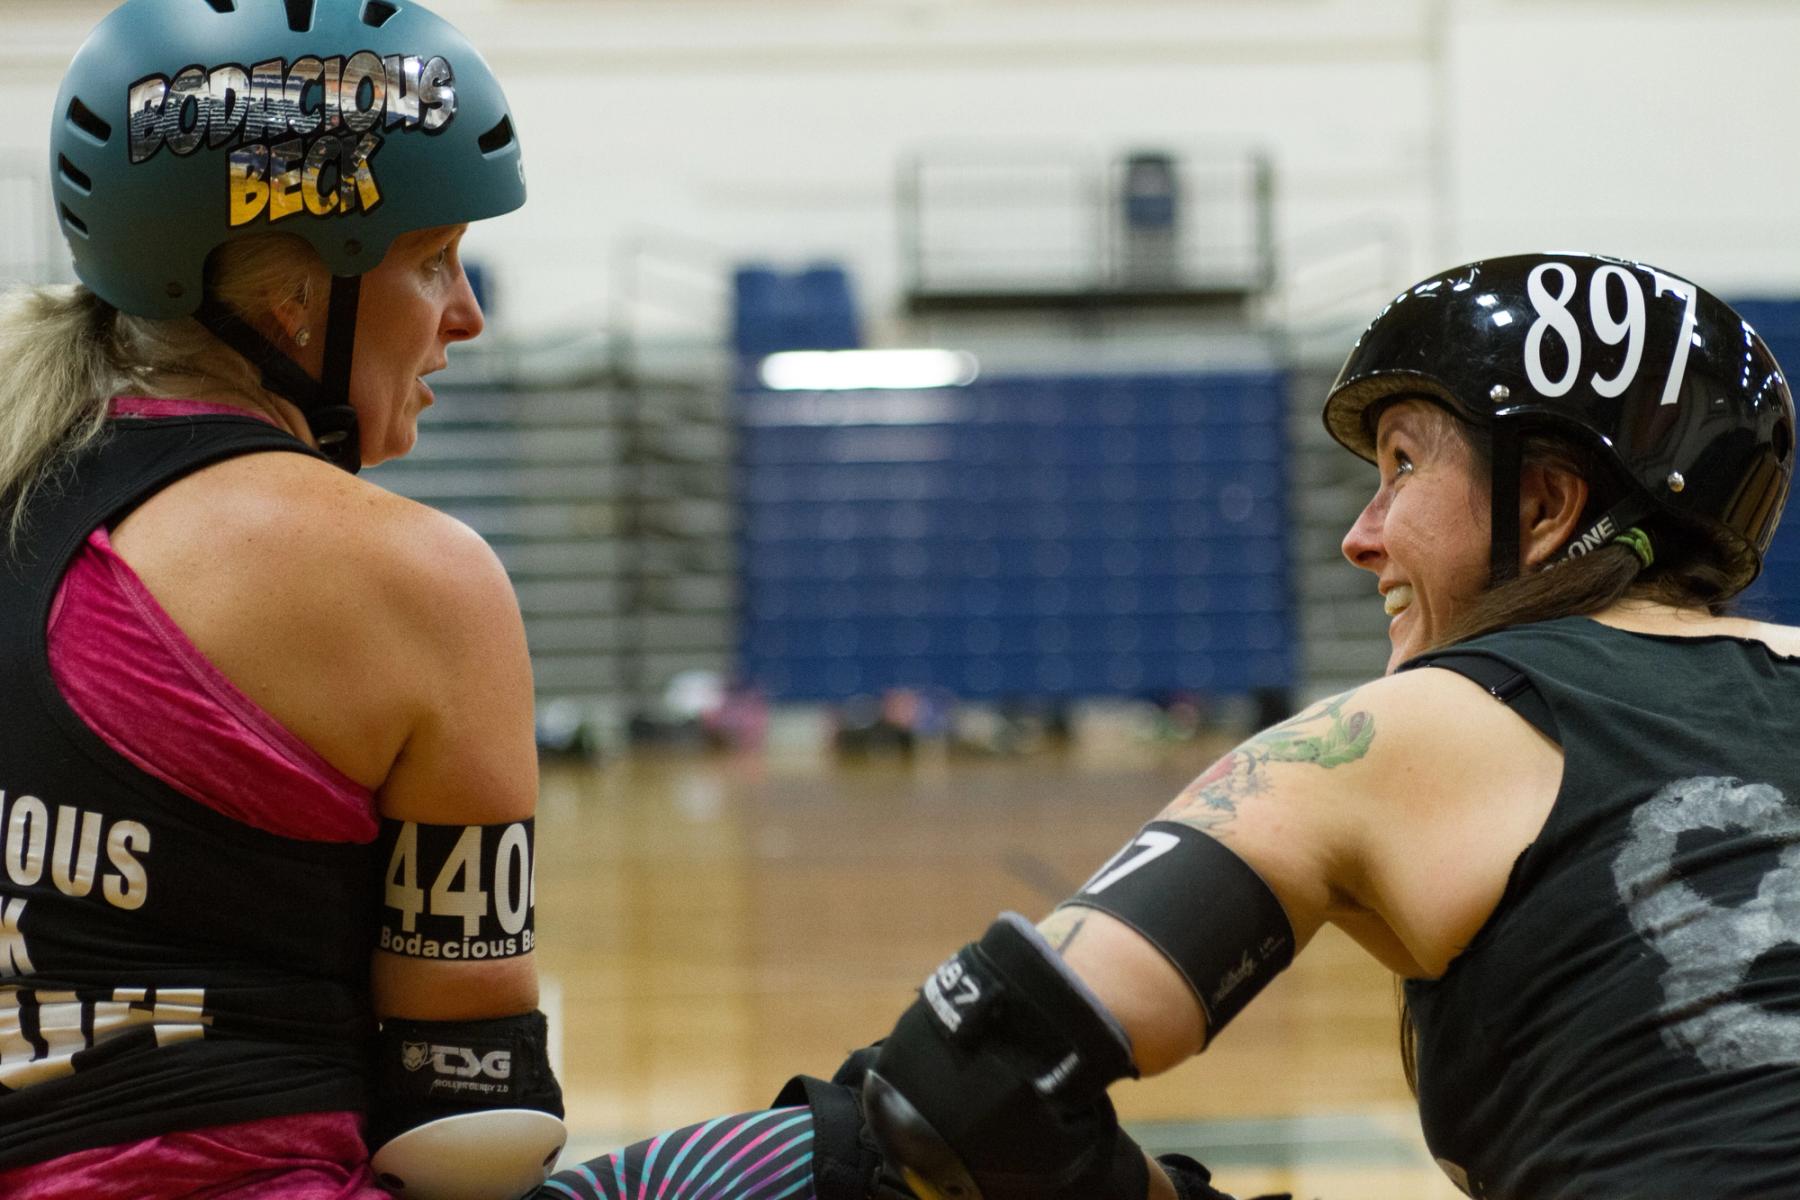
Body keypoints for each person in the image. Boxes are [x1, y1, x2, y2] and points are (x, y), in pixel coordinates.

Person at [0, 2, 884, 1198]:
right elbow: (467, 1125)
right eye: (432, 260)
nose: (468, 314)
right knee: (912, 1139)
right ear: (297, 296)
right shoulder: (411, 577)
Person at [854, 252, 1800, 1200]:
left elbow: (962, 1087)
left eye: (1402, 465)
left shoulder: (1402, 729)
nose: (1361, 535)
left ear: (1545, 507)